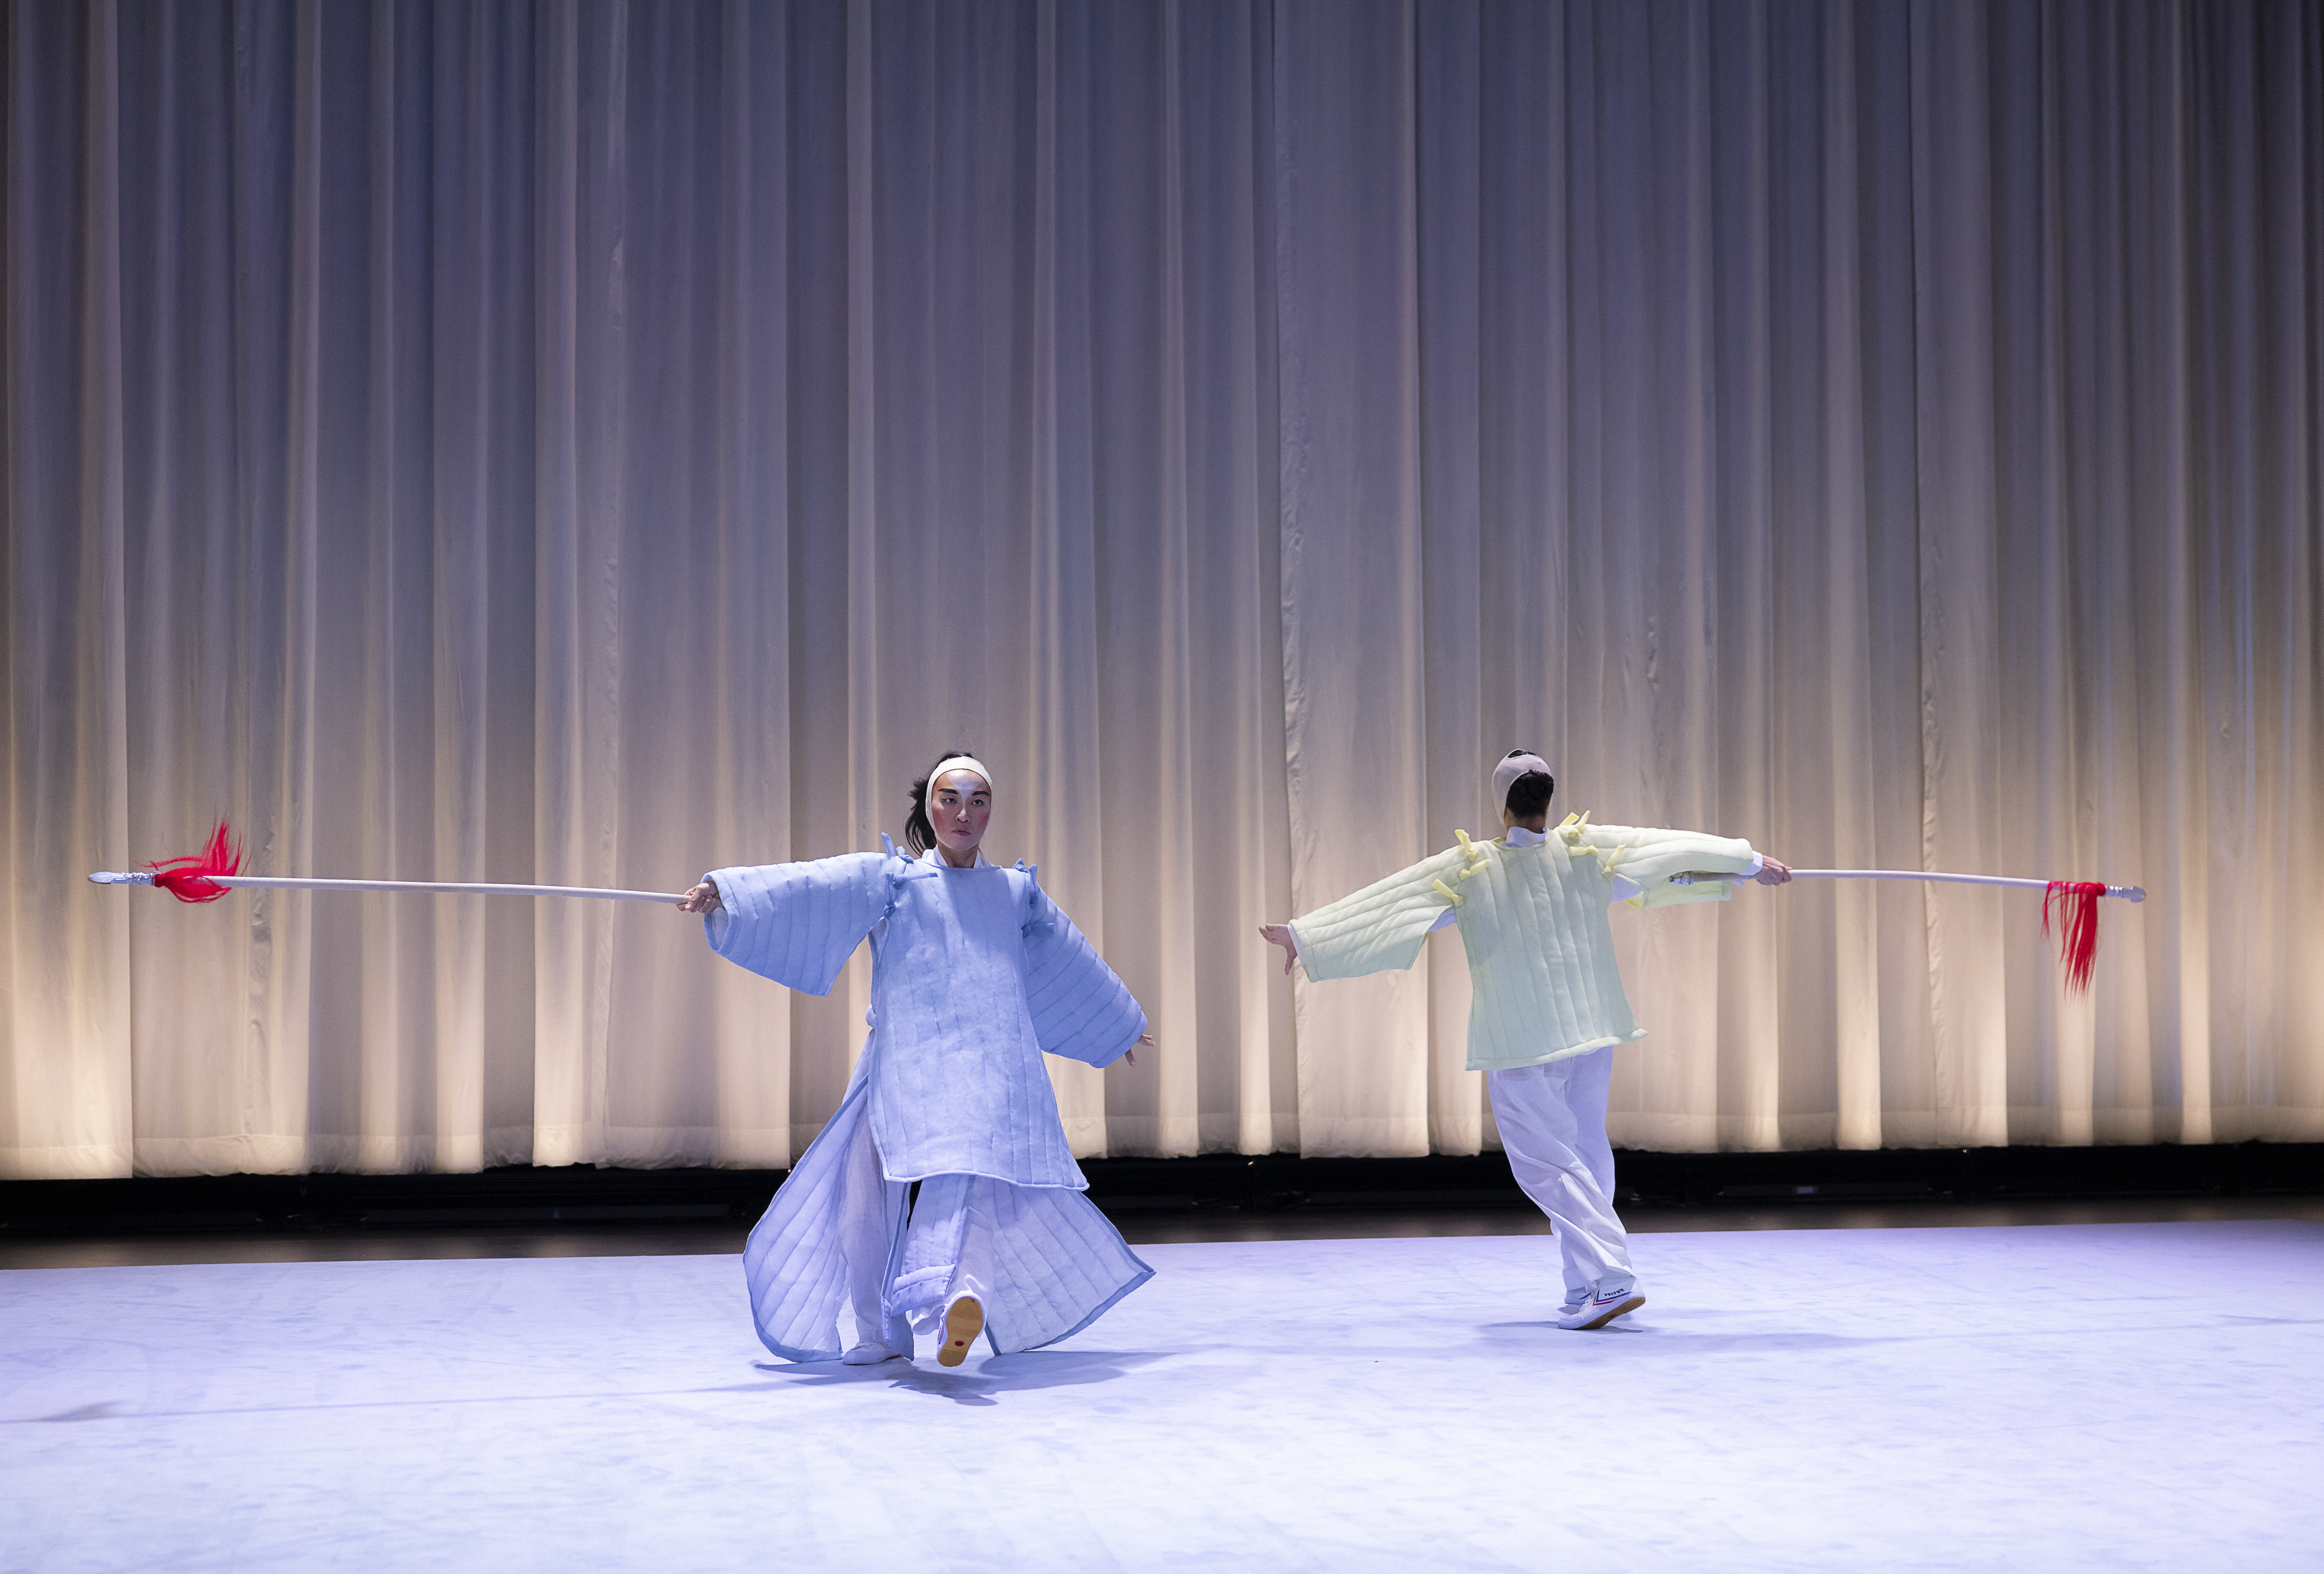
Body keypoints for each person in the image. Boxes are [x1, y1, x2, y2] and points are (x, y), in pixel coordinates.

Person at [1260, 751, 1791, 1330]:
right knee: (1585, 1156)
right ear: (1547, 804)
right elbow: (1667, 848)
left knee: (1546, 1164)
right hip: (1593, 1030)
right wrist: (1748, 860)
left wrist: (1305, 937)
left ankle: (1612, 1277)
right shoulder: (1587, 851)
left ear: (1503, 806)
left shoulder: (1472, 867)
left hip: (1523, 1039)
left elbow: (1391, 902)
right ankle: (1584, 1282)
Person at [680, 750, 1153, 1368]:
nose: (964, 813)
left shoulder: (1013, 893)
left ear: (991, 811)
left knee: (971, 1177)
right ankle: (879, 1330)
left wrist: (1115, 1025)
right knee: (860, 1190)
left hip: (985, 1064)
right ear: (929, 809)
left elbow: (1069, 958)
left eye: (977, 800)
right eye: (950, 799)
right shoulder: (895, 882)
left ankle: (962, 1298)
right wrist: (729, 894)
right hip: (901, 1062)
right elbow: (810, 888)